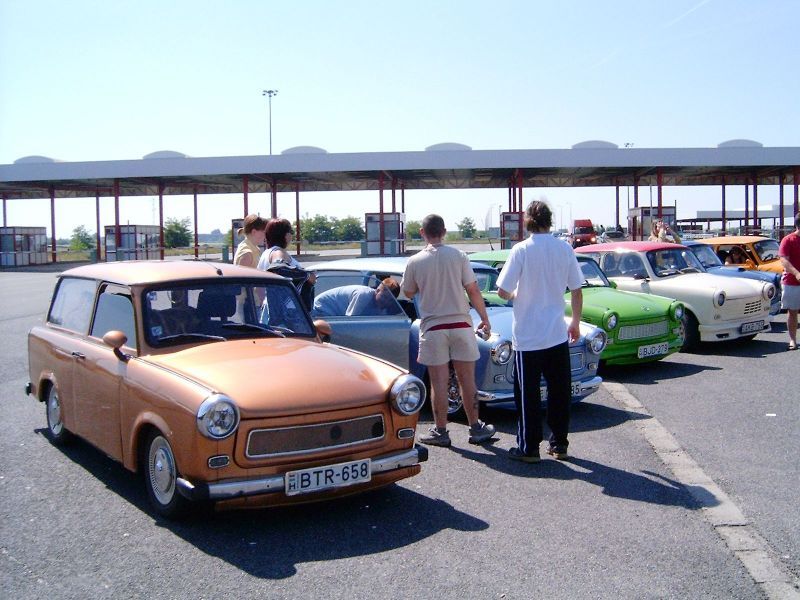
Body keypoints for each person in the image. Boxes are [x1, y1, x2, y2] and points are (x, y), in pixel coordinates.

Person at [496, 200, 583, 463]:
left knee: (528, 394)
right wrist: (575, 322)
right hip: (556, 332)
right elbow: (576, 290)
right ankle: (559, 444)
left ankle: (529, 447)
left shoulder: (521, 250)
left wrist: (517, 294)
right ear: (549, 220)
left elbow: (502, 291)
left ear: (527, 222)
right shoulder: (564, 248)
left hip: (528, 334)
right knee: (560, 391)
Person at [400, 214, 495, 447]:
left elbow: (408, 292)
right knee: (467, 380)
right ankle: (476, 427)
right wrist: (484, 318)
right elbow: (473, 290)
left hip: (433, 327)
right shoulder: (459, 256)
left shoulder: (414, 261)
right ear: (444, 231)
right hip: (461, 324)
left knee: (438, 382)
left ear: (422, 232)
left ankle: (441, 431)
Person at [257, 218, 317, 309]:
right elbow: (279, 269)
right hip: (286, 311)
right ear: (284, 235)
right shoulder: (278, 252)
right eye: (290, 232)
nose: (291, 235)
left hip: (270, 307)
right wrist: (307, 275)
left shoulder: (266, 253)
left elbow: (259, 288)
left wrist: (264, 303)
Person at [313, 278, 400, 317]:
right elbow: (351, 321)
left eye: (390, 300)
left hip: (336, 315)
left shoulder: (381, 305)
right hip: (322, 309)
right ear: (377, 291)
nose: (386, 302)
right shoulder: (363, 295)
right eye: (384, 297)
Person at [778, 212, 800, 351]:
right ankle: (793, 340)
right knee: (793, 312)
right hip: (792, 281)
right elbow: (784, 260)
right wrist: (797, 273)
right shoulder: (788, 240)